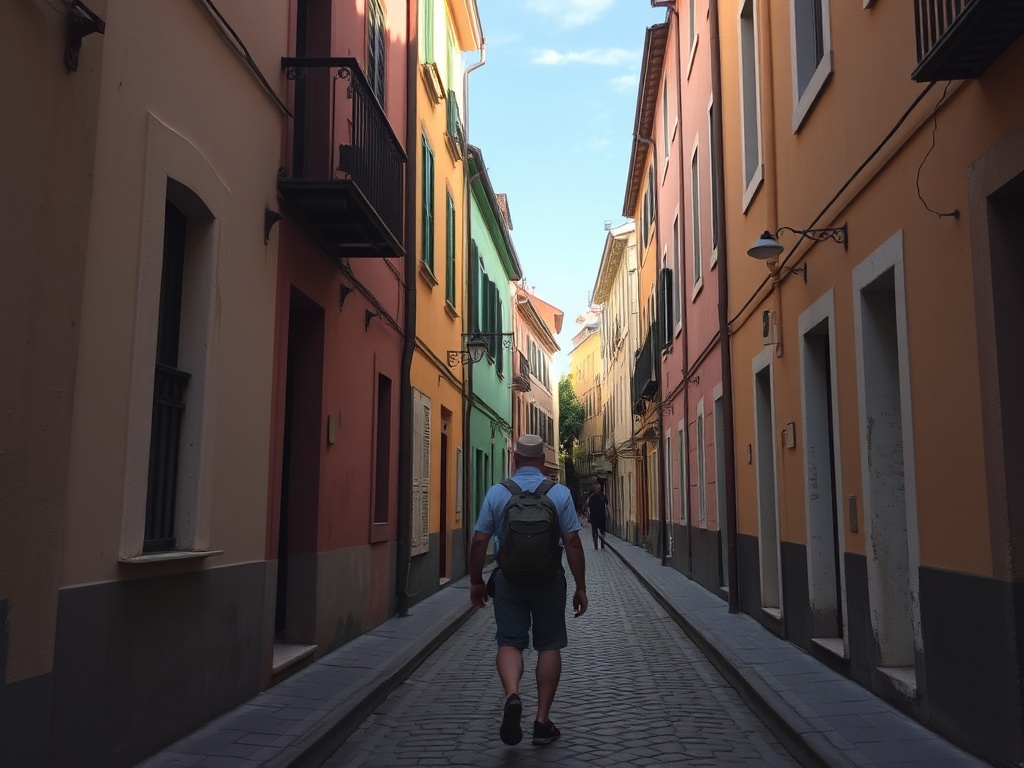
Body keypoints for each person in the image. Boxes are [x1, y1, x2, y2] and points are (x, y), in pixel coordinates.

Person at [469, 434, 588, 748]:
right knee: (549, 644)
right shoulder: (559, 493)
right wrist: (581, 587)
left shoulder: (498, 493)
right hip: (549, 580)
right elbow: (573, 542)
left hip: (508, 579)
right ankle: (542, 720)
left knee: (509, 640)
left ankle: (512, 695)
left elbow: (479, 540)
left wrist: (476, 582)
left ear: (516, 459)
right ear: (541, 461)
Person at [587, 480, 609, 550]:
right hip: (595, 516)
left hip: (601, 516)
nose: (598, 489)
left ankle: (601, 542)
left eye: (599, 488)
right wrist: (589, 516)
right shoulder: (592, 497)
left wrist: (606, 513)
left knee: (602, 530)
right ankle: (596, 544)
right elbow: (589, 507)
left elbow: (606, 505)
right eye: (597, 488)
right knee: (595, 531)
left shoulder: (602, 496)